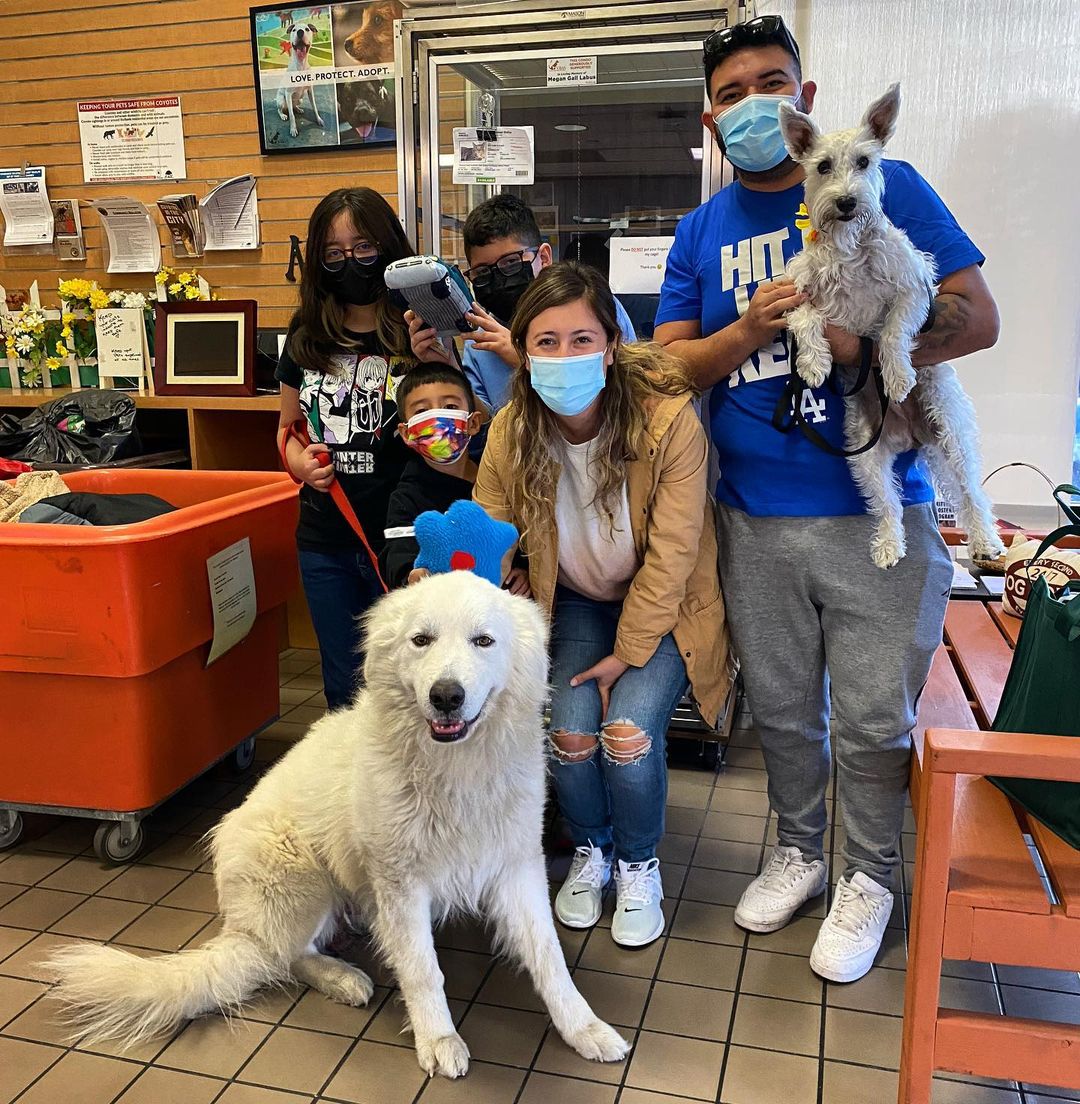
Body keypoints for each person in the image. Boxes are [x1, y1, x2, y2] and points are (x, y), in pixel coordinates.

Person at [654, 16, 1000, 982]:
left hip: (873, 509)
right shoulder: (701, 229)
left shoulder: (891, 188)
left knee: (870, 718)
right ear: (713, 115)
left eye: (772, 82)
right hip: (752, 518)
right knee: (783, 711)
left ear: (804, 100)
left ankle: (870, 877)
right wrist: (749, 327)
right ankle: (801, 852)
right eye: (731, 91)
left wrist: (871, 351)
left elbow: (976, 318)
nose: (752, 103)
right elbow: (672, 364)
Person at [474, 261, 732, 948]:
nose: (564, 357)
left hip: (668, 606)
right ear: (523, 354)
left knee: (628, 735)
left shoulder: (668, 421)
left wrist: (630, 653)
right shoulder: (512, 431)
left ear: (613, 345)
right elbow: (488, 530)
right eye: (546, 342)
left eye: (582, 339)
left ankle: (639, 863)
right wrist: (472, 582)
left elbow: (675, 553)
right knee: (573, 732)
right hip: (580, 602)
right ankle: (593, 850)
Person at [276, 187, 415, 711]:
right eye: (333, 254)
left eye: (363, 248)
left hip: (404, 541)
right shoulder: (306, 333)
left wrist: (440, 354)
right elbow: (288, 428)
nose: (350, 262)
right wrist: (299, 466)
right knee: (343, 687)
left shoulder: (415, 326)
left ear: (388, 246)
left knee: (408, 687)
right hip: (325, 538)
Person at [408, 194, 636, 416]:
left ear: (544, 258)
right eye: (483, 272)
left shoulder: (592, 308)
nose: (500, 278)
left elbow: (632, 394)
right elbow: (483, 424)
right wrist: (449, 367)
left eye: (511, 262)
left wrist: (525, 360)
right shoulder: (480, 336)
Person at [380, 364, 486, 588]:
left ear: (473, 422)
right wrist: (411, 574)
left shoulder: (494, 483)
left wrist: (521, 571)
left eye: (449, 406)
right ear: (407, 433)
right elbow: (397, 554)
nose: (437, 417)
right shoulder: (406, 497)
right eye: (421, 412)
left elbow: (516, 538)